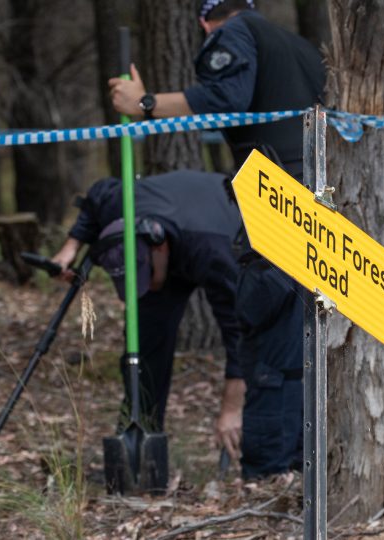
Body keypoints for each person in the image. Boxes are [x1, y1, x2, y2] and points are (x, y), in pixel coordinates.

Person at [109, 0, 326, 478]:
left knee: (270, 331)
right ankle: (301, 464)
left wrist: (145, 104)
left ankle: (271, 471)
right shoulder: (302, 48)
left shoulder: (233, 35)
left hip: (279, 196)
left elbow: (224, 97)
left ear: (205, 21)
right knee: (304, 335)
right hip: (321, 198)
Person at [52, 170, 245, 459]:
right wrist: (70, 248)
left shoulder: (216, 251)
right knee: (143, 344)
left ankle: (262, 448)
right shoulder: (117, 205)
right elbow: (98, 193)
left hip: (219, 228)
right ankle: (140, 440)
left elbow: (241, 333)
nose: (146, 285)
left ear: (160, 246)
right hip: (169, 248)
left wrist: (231, 409)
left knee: (263, 346)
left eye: (147, 275)